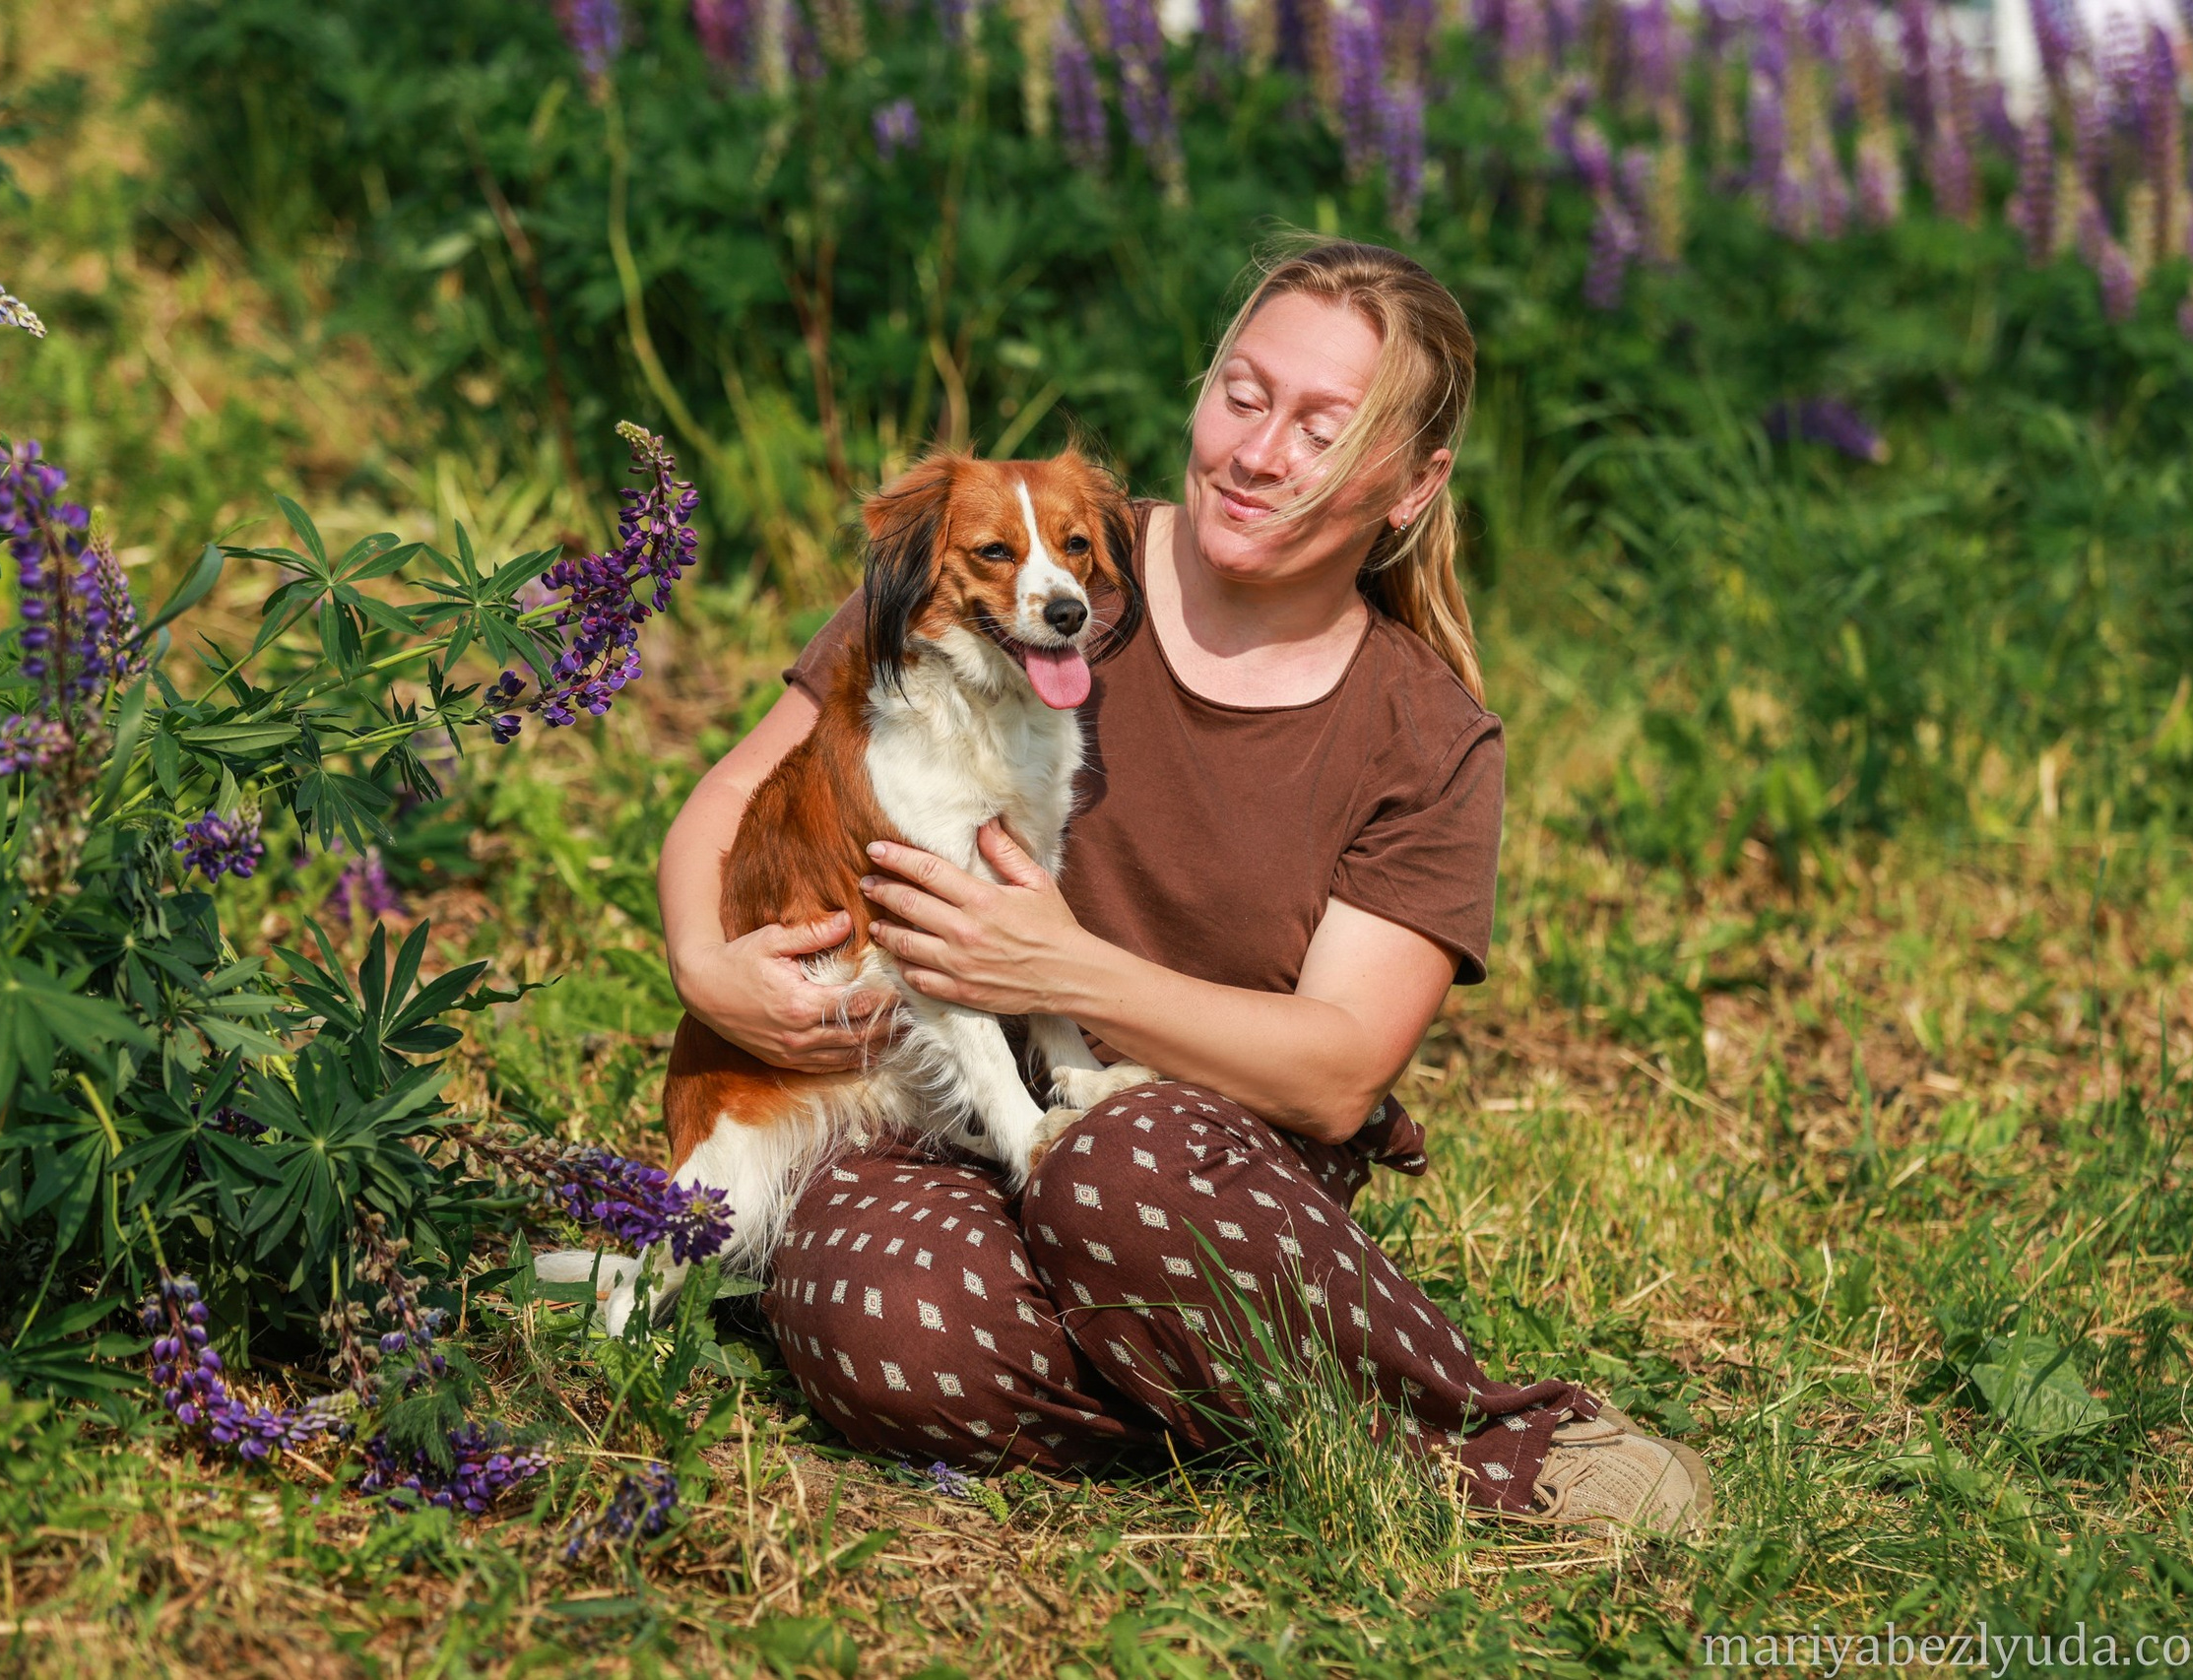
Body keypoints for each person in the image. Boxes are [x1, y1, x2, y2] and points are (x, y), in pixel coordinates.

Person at [654, 238, 1713, 1533]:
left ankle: (1501, 1443)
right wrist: (708, 970)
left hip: (1199, 1162)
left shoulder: (1422, 738)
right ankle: (1257, 1399)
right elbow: (731, 794)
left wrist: (1062, 970)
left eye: (1324, 427)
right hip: (952, 1124)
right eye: (1243, 392)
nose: (1258, 451)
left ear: (1412, 486)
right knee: (870, 1309)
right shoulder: (1024, 554)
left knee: (1112, 1156)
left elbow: (1333, 1072)